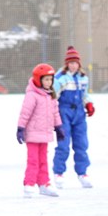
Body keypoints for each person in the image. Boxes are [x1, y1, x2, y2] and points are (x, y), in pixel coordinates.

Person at [16, 64, 64, 198]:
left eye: (51, 79)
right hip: (32, 134)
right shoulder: (32, 95)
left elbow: (55, 113)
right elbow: (25, 113)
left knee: (44, 160)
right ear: (39, 79)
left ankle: (44, 183)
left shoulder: (50, 95)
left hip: (45, 133)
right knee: (33, 160)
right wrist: (21, 128)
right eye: (46, 79)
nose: (49, 82)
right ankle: (29, 184)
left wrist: (59, 127)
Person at [52, 46, 95, 189]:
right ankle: (58, 173)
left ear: (79, 64)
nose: (73, 65)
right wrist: (52, 113)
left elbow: (84, 95)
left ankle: (82, 173)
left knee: (81, 144)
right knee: (63, 145)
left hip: (79, 115)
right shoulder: (60, 78)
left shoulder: (83, 78)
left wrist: (88, 104)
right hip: (64, 113)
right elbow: (53, 96)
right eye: (70, 62)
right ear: (66, 63)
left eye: (75, 62)